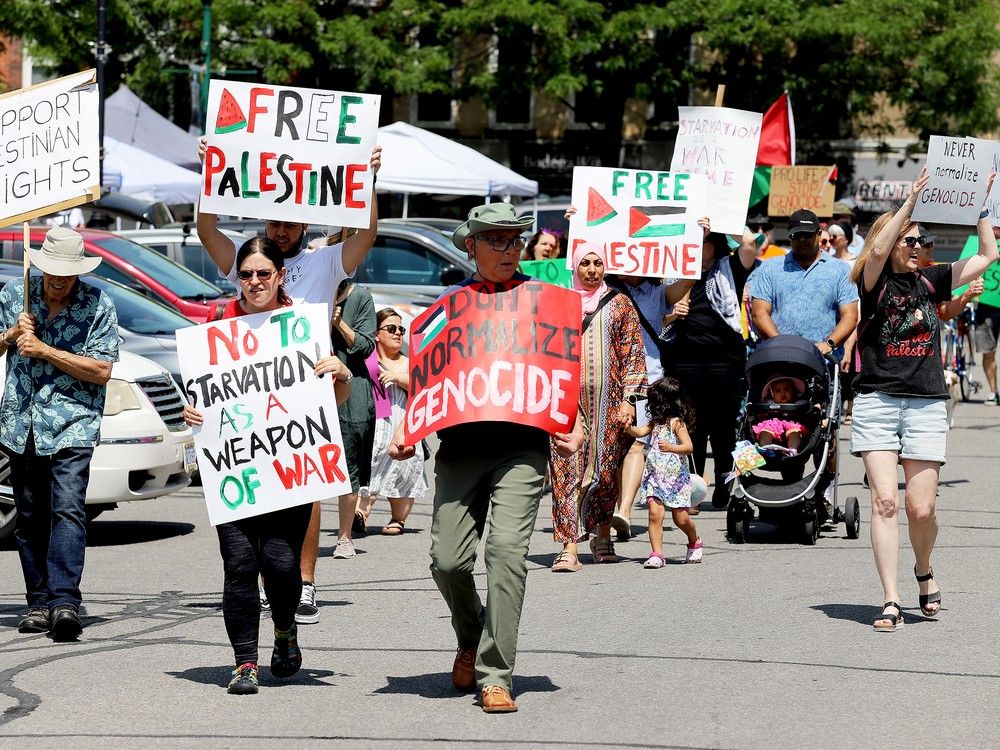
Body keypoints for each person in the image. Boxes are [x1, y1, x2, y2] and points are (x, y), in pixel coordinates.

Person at [388, 203, 584, 714]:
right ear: (471, 246)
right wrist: (409, 429)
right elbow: (426, 377)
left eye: (514, 240)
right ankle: (471, 635)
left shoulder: (545, 301)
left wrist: (573, 424)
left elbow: (563, 370)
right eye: (494, 240)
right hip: (461, 446)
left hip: (521, 447)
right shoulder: (448, 305)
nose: (507, 248)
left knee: (506, 554)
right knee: (448, 561)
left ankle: (496, 673)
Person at [196, 137, 381, 626]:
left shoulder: (324, 260)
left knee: (306, 482)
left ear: (304, 224)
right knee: (258, 483)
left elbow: (366, 235)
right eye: (272, 221)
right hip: (250, 383)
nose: (278, 230)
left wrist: (368, 180)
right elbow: (205, 227)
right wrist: (210, 172)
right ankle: (265, 586)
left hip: (306, 382)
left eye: (287, 222)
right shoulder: (247, 256)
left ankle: (305, 585)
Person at [182, 237, 353, 693]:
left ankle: (284, 631)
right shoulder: (219, 325)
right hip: (234, 470)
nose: (254, 282)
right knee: (238, 564)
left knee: (280, 564)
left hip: (286, 471)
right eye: (246, 274)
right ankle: (244, 662)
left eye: (263, 273)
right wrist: (193, 413)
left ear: (280, 276)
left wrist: (343, 375)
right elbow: (202, 396)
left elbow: (333, 399)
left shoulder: (302, 326)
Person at [849, 167, 998, 632]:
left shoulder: (932, 281)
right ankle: (891, 598)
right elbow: (874, 251)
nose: (917, 247)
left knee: (921, 507)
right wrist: (910, 201)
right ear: (892, 240)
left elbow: (990, 254)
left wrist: (978, 211)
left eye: (921, 241)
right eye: (909, 241)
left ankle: (924, 568)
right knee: (884, 503)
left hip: (926, 401)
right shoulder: (872, 283)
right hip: (876, 398)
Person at [0, 227, 119, 640]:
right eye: (52, 272)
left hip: (73, 424)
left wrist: (45, 350)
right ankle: (38, 602)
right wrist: (13, 335)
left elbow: (102, 370)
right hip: (21, 425)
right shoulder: (15, 295)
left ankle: (65, 600)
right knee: (29, 516)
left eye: (67, 274)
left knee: (67, 509)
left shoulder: (97, 304)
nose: (58, 280)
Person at [750, 208, 859, 505]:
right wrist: (780, 344)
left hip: (822, 363)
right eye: (796, 236)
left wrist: (830, 343)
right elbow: (759, 311)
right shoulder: (771, 269)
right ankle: (793, 490)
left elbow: (850, 315)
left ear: (818, 236)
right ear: (790, 236)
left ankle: (822, 490)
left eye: (808, 236)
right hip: (780, 364)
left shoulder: (838, 271)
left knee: (826, 429)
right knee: (784, 423)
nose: (802, 241)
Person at [549, 242, 647, 572]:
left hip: (610, 404)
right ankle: (568, 548)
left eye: (598, 263)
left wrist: (632, 404)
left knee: (605, 472)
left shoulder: (620, 303)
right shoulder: (559, 304)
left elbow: (634, 354)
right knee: (567, 471)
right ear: (574, 268)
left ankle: (602, 537)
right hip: (565, 404)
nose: (591, 269)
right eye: (585, 263)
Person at [664, 223, 757, 507]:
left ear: (715, 244)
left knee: (725, 425)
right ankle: (694, 487)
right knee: (691, 425)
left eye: (703, 242)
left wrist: (721, 217)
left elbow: (750, 243)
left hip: (725, 360)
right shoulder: (674, 273)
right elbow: (660, 309)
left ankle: (726, 480)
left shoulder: (731, 267)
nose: (698, 247)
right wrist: (673, 312)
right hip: (685, 359)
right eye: (694, 242)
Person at [364, 307, 427, 535]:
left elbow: (422, 386)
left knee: (403, 471)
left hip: (403, 423)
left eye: (401, 329)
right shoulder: (367, 361)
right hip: (375, 426)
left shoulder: (409, 362)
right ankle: (360, 514)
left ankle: (398, 519)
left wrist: (398, 378)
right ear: (376, 334)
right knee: (368, 468)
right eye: (391, 328)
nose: (398, 333)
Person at [628, 377, 702, 568]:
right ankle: (657, 554)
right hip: (655, 476)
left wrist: (671, 447)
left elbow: (688, 447)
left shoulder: (677, 423)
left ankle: (694, 541)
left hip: (675, 478)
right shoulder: (655, 422)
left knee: (680, 518)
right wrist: (628, 428)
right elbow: (641, 431)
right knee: (654, 512)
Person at [328, 278, 377, 560]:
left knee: (349, 464)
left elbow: (366, 346)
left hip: (351, 384)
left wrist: (339, 323)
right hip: (311, 382)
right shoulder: (308, 292)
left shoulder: (360, 298)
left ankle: (344, 536)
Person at [752, 377, 809, 452]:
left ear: (793, 390)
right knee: (765, 431)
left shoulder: (797, 402)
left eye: (787, 389)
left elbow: (807, 408)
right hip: (773, 423)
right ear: (772, 393)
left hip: (791, 423)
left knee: (795, 432)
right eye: (778, 391)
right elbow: (759, 413)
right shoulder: (768, 402)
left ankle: (792, 450)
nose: (783, 393)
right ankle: (766, 448)